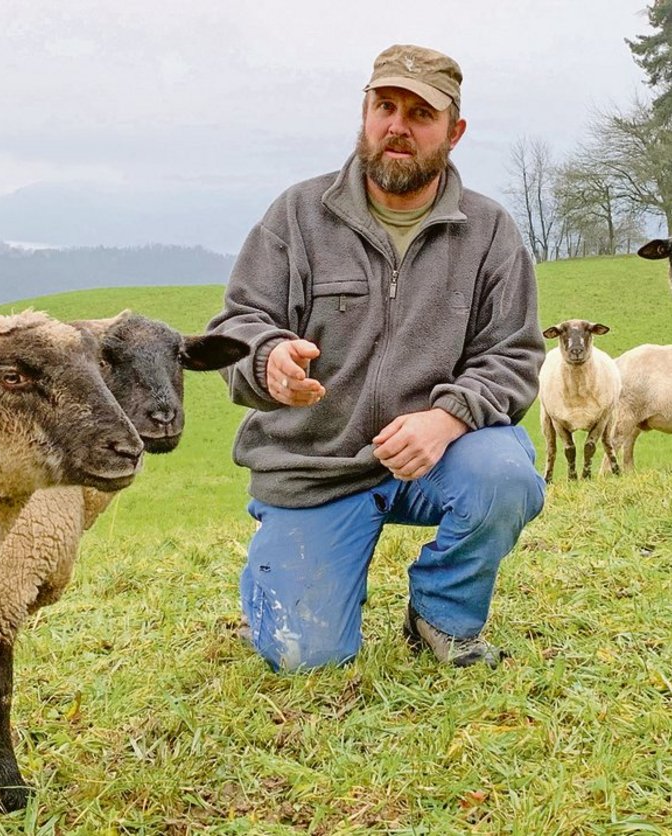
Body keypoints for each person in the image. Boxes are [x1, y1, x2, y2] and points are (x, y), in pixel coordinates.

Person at [207, 44, 546, 672]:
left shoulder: (490, 231)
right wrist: (269, 360)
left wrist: (446, 419)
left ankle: (442, 615)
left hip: (435, 457)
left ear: (455, 131)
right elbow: (238, 325)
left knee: (503, 475)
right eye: (385, 106)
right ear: (364, 113)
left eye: (421, 114)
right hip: (316, 466)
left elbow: (515, 355)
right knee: (305, 658)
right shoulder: (298, 216)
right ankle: (299, 565)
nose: (398, 125)